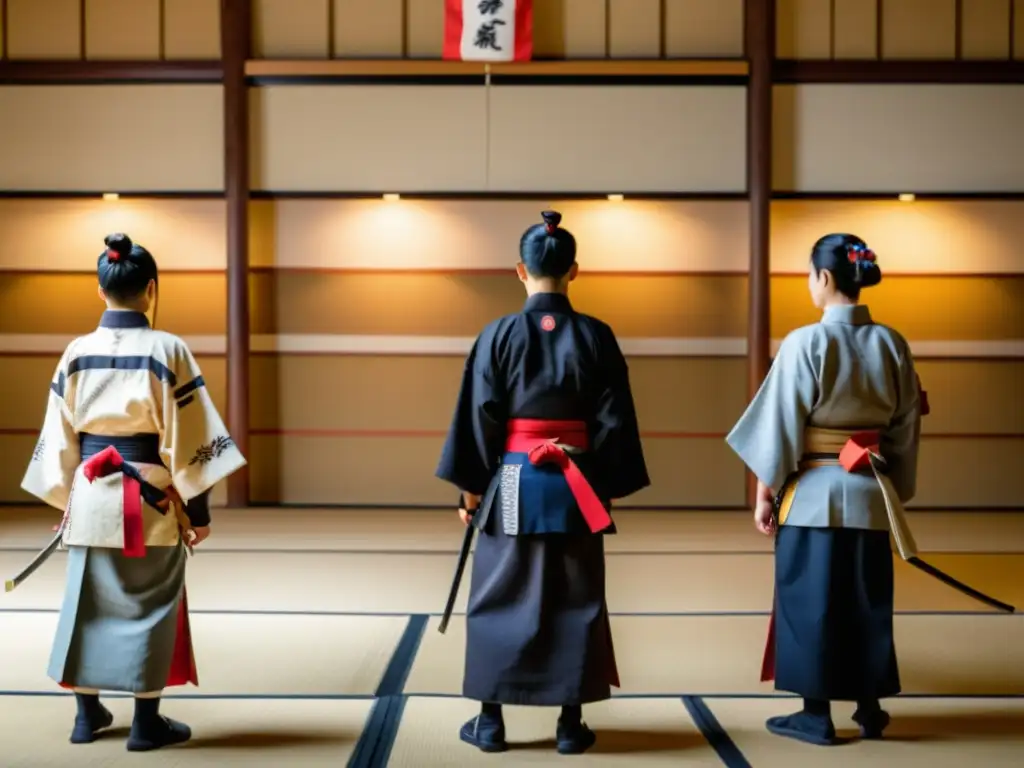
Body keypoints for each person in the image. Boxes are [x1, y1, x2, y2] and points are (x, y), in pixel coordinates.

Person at [20, 233, 247, 751]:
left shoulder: (77, 351)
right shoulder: (169, 349)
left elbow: (59, 437)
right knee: (152, 604)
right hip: (151, 495)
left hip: (91, 491)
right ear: (150, 290)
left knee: (87, 602)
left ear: (100, 292)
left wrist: (67, 499)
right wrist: (199, 511)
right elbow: (194, 440)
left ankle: (85, 717)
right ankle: (145, 724)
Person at [436, 210, 650, 755]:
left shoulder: (498, 335)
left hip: (510, 483)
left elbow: (479, 414)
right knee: (575, 597)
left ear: (519, 270)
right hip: (576, 485)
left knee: (497, 595)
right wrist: (606, 483)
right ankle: (570, 725)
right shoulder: (597, 336)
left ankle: (490, 722)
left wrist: (470, 492)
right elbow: (614, 421)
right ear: (574, 271)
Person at [726, 233, 923, 746]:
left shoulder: (805, 343)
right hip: (869, 490)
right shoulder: (893, 343)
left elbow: (780, 429)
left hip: (813, 493)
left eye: (811, 275)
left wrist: (765, 493)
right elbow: (904, 426)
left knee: (810, 602)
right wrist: (895, 488)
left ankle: (815, 714)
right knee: (867, 601)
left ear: (825, 278)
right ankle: (870, 709)